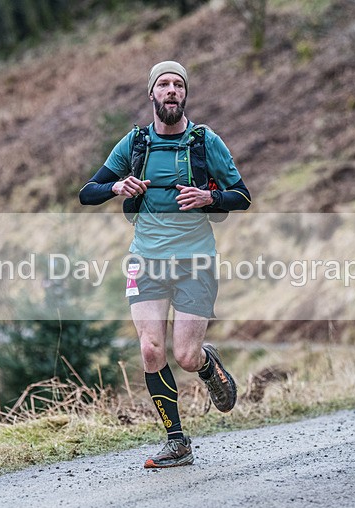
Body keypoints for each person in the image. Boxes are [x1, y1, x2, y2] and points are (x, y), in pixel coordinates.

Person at [79, 60, 251, 467]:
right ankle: (177, 441)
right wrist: (117, 186)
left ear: (185, 94)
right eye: (164, 84)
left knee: (186, 356)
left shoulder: (205, 142)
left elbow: (242, 196)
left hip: (196, 261)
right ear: (152, 95)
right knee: (151, 349)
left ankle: (208, 366)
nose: (171, 90)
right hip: (146, 259)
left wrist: (210, 198)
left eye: (178, 84)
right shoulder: (135, 143)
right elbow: (88, 192)